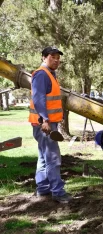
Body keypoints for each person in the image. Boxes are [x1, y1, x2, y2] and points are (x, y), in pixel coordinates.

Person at [29, 46, 72, 203]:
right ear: (43, 57)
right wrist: (45, 120)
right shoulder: (42, 75)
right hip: (44, 125)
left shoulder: (50, 75)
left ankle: (43, 189)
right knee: (53, 157)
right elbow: (39, 99)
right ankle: (58, 192)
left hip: (44, 123)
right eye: (52, 56)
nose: (56, 60)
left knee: (43, 156)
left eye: (58, 57)